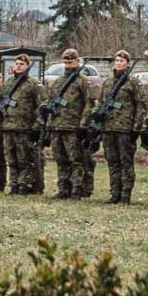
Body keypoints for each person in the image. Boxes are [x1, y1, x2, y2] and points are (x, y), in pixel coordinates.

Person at [44, 48, 95, 200]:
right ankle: (63, 189)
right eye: (65, 62)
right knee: (60, 159)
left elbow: (89, 104)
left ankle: (77, 189)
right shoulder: (59, 82)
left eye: (70, 62)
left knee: (76, 160)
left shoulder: (83, 81)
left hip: (73, 126)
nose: (67, 65)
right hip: (57, 125)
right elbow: (50, 99)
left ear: (77, 61)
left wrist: (83, 124)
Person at [96, 51, 144, 205]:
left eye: (122, 60)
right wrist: (96, 115)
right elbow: (100, 102)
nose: (118, 63)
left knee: (126, 162)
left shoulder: (133, 83)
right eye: (116, 60)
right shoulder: (108, 82)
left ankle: (125, 194)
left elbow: (140, 105)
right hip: (108, 127)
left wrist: (136, 127)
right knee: (112, 161)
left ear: (128, 63)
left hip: (125, 128)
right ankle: (114, 193)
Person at [0, 53, 44, 195]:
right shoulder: (7, 83)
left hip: (24, 127)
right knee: (11, 159)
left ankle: (24, 184)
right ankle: (13, 184)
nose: (18, 66)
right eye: (17, 64)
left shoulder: (33, 84)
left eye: (21, 64)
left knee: (24, 159)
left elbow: (41, 104)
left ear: (27, 66)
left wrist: (36, 126)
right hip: (7, 126)